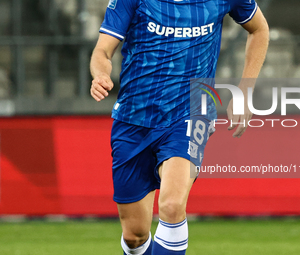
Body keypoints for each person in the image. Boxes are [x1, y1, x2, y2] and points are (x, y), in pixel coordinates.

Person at [90, 0, 269, 254]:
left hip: (192, 110)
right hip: (134, 116)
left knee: (172, 205)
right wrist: (100, 74)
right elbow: (102, 52)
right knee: (135, 235)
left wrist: (246, 89)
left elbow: (259, 29)